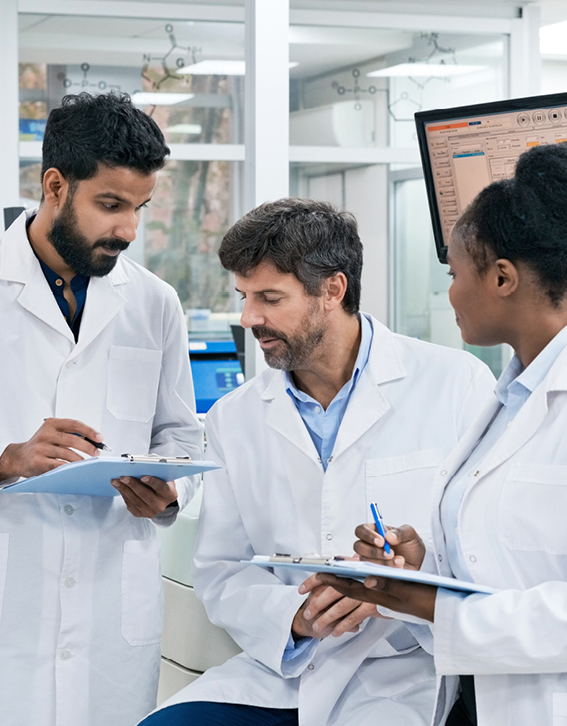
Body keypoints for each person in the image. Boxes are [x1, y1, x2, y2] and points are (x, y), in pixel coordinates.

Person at [317, 142, 567, 725]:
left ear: (501, 278)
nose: (449, 292)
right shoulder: (506, 398)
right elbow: (504, 563)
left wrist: (430, 603)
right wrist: (422, 568)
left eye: (454, 272)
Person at [0, 91, 203, 726]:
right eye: (110, 206)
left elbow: (182, 437)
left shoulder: (154, 302)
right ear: (55, 186)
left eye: (140, 209)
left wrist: (169, 495)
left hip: (110, 607)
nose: (128, 230)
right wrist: (6, 458)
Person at [143, 199, 495, 726]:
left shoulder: (457, 386)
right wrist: (298, 618)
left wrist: (405, 585)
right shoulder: (234, 418)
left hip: (403, 669)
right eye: (243, 297)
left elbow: (491, 551)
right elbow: (222, 570)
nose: (248, 318)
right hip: (283, 672)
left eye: (269, 298)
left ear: (333, 290)